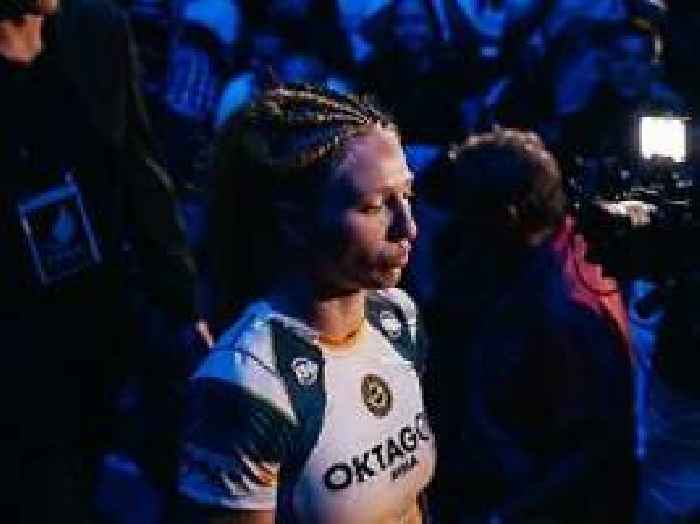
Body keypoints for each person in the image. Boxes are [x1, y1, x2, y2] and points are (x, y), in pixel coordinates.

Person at [178, 83, 435, 524]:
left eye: (407, 195)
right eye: (375, 206)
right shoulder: (247, 383)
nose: (408, 227)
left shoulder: (397, 316)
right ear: (295, 222)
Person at [0, 0, 209, 521]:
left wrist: (183, 306)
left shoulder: (97, 29)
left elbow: (141, 170)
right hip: (15, 333)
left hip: (101, 315)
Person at [425, 128, 637, 523]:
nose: (457, 224)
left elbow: (592, 450)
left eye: (468, 210)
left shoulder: (566, 312)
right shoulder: (566, 243)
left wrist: (501, 517)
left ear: (507, 215)